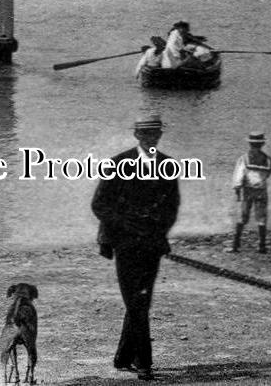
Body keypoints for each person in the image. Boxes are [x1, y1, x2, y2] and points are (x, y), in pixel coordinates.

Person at [91, 115, 181, 381]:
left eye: (155, 134)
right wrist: (127, 223)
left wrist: (160, 231)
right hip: (125, 243)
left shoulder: (168, 165)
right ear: (136, 135)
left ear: (160, 136)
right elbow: (99, 205)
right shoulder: (117, 163)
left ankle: (123, 357)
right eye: (145, 134)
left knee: (140, 301)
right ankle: (144, 362)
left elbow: (171, 208)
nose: (151, 139)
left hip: (152, 243)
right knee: (137, 301)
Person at [230, 132, 271, 253]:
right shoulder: (267, 159)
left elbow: (239, 174)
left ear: (249, 144)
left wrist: (237, 188)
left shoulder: (244, 158)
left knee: (242, 216)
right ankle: (262, 246)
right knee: (261, 217)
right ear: (262, 144)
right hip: (261, 189)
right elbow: (268, 173)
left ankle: (236, 245)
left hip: (247, 190)